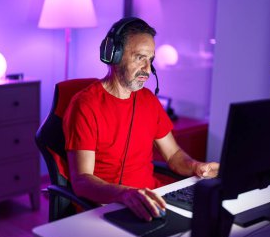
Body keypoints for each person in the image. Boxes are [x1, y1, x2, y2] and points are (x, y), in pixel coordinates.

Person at [63, 17, 219, 222]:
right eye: (139, 58)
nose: (147, 69)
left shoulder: (149, 101)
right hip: (104, 207)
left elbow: (173, 156)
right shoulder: (85, 105)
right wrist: (124, 194)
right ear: (114, 55)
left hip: (152, 201)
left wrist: (196, 167)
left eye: (150, 60)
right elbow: (82, 180)